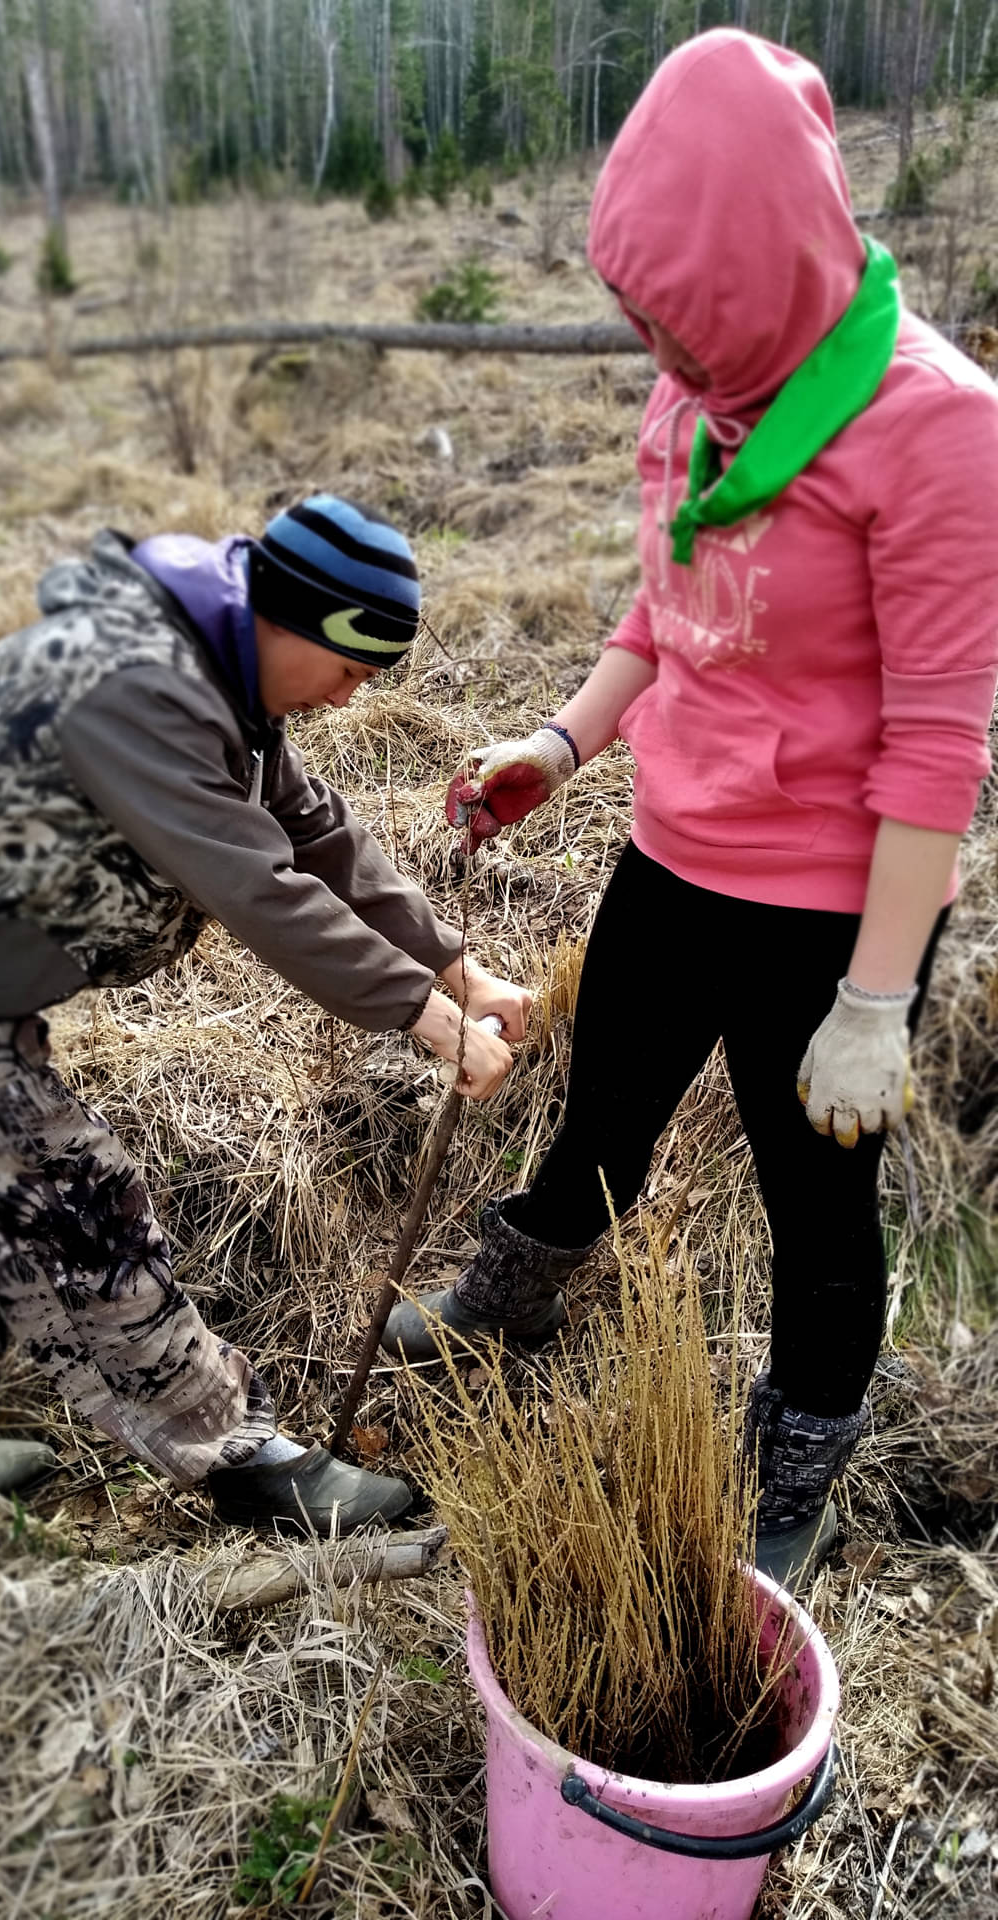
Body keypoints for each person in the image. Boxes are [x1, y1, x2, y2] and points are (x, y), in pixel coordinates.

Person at [383, 32, 998, 1587]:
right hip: (675, 856)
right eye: (636, 314)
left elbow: (938, 742)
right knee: (603, 1115)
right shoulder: (700, 394)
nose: (654, 348)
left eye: (677, 315)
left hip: (833, 909)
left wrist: (874, 1002)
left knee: (816, 1201)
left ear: (762, 272)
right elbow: (663, 613)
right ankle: (507, 1311)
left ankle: (800, 1464)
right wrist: (562, 746)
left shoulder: (938, 430)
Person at [0, 495, 529, 1531]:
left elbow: (315, 835)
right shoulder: (132, 682)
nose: (350, 698)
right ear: (285, 621)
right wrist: (425, 1017)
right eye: (348, 668)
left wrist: (460, 967)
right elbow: (258, 884)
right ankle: (241, 1461)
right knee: (73, 1206)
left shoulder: (219, 678)